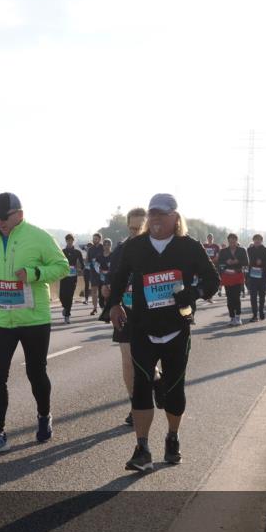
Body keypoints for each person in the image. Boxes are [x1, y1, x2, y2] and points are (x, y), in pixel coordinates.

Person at [107, 194, 220, 471]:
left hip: (176, 329)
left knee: (173, 389)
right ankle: (142, 448)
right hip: (142, 328)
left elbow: (212, 281)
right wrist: (114, 305)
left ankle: (172, 437)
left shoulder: (188, 247)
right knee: (141, 387)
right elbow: (120, 278)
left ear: (175, 217)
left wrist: (192, 294)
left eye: (161, 213)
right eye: (152, 213)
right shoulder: (135, 246)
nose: (155, 218)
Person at [0, 192, 69, 452]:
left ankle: (44, 415)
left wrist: (35, 274)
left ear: (19, 214)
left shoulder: (38, 237)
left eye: (5, 217)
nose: (0, 222)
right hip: (1, 318)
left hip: (34, 319)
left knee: (36, 372)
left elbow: (62, 266)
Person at [105, 208, 148, 426]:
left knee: (148, 363)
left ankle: (155, 384)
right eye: (132, 228)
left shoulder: (158, 248)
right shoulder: (121, 250)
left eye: (140, 228)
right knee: (128, 360)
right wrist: (109, 293)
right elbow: (112, 280)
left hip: (152, 313)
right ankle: (135, 406)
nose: (135, 233)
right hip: (126, 311)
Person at [217, 233, 248, 326]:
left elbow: (246, 262)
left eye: (234, 241)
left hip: (238, 274)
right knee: (229, 298)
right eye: (230, 241)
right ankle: (232, 317)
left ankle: (238, 317)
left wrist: (238, 261)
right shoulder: (223, 251)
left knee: (236, 297)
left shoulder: (242, 250)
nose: (232, 243)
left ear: (237, 241)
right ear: (228, 241)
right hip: (227, 276)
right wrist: (226, 262)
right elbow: (219, 263)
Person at [245, 234, 266, 322]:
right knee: (253, 296)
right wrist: (251, 263)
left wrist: (262, 262)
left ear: (262, 240)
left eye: (258, 240)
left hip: (263, 277)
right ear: (253, 240)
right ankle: (255, 315)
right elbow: (245, 261)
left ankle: (261, 311)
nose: (257, 241)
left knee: (262, 296)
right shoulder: (249, 250)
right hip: (252, 277)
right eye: (255, 240)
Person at [59, 233, 84, 324]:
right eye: (68, 240)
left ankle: (67, 315)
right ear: (66, 241)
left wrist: (79, 269)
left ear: (73, 241)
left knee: (69, 296)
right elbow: (58, 263)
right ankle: (65, 308)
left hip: (73, 277)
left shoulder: (77, 252)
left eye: (71, 240)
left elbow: (82, 265)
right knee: (62, 296)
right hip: (64, 276)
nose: (69, 242)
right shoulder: (62, 251)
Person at [88, 233, 105, 316]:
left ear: (100, 239)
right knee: (94, 291)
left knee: (102, 291)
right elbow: (88, 260)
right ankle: (94, 308)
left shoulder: (103, 248)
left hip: (102, 273)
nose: (94, 240)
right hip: (93, 273)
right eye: (93, 238)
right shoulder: (90, 249)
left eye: (96, 239)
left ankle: (103, 308)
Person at [202, 233, 221, 303]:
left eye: (211, 238)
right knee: (206, 281)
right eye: (208, 237)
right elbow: (201, 255)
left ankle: (210, 297)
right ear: (207, 238)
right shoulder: (204, 246)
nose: (210, 239)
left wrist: (211, 261)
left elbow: (217, 256)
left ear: (213, 238)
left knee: (213, 281)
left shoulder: (216, 246)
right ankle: (207, 296)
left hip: (214, 265)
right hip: (205, 265)